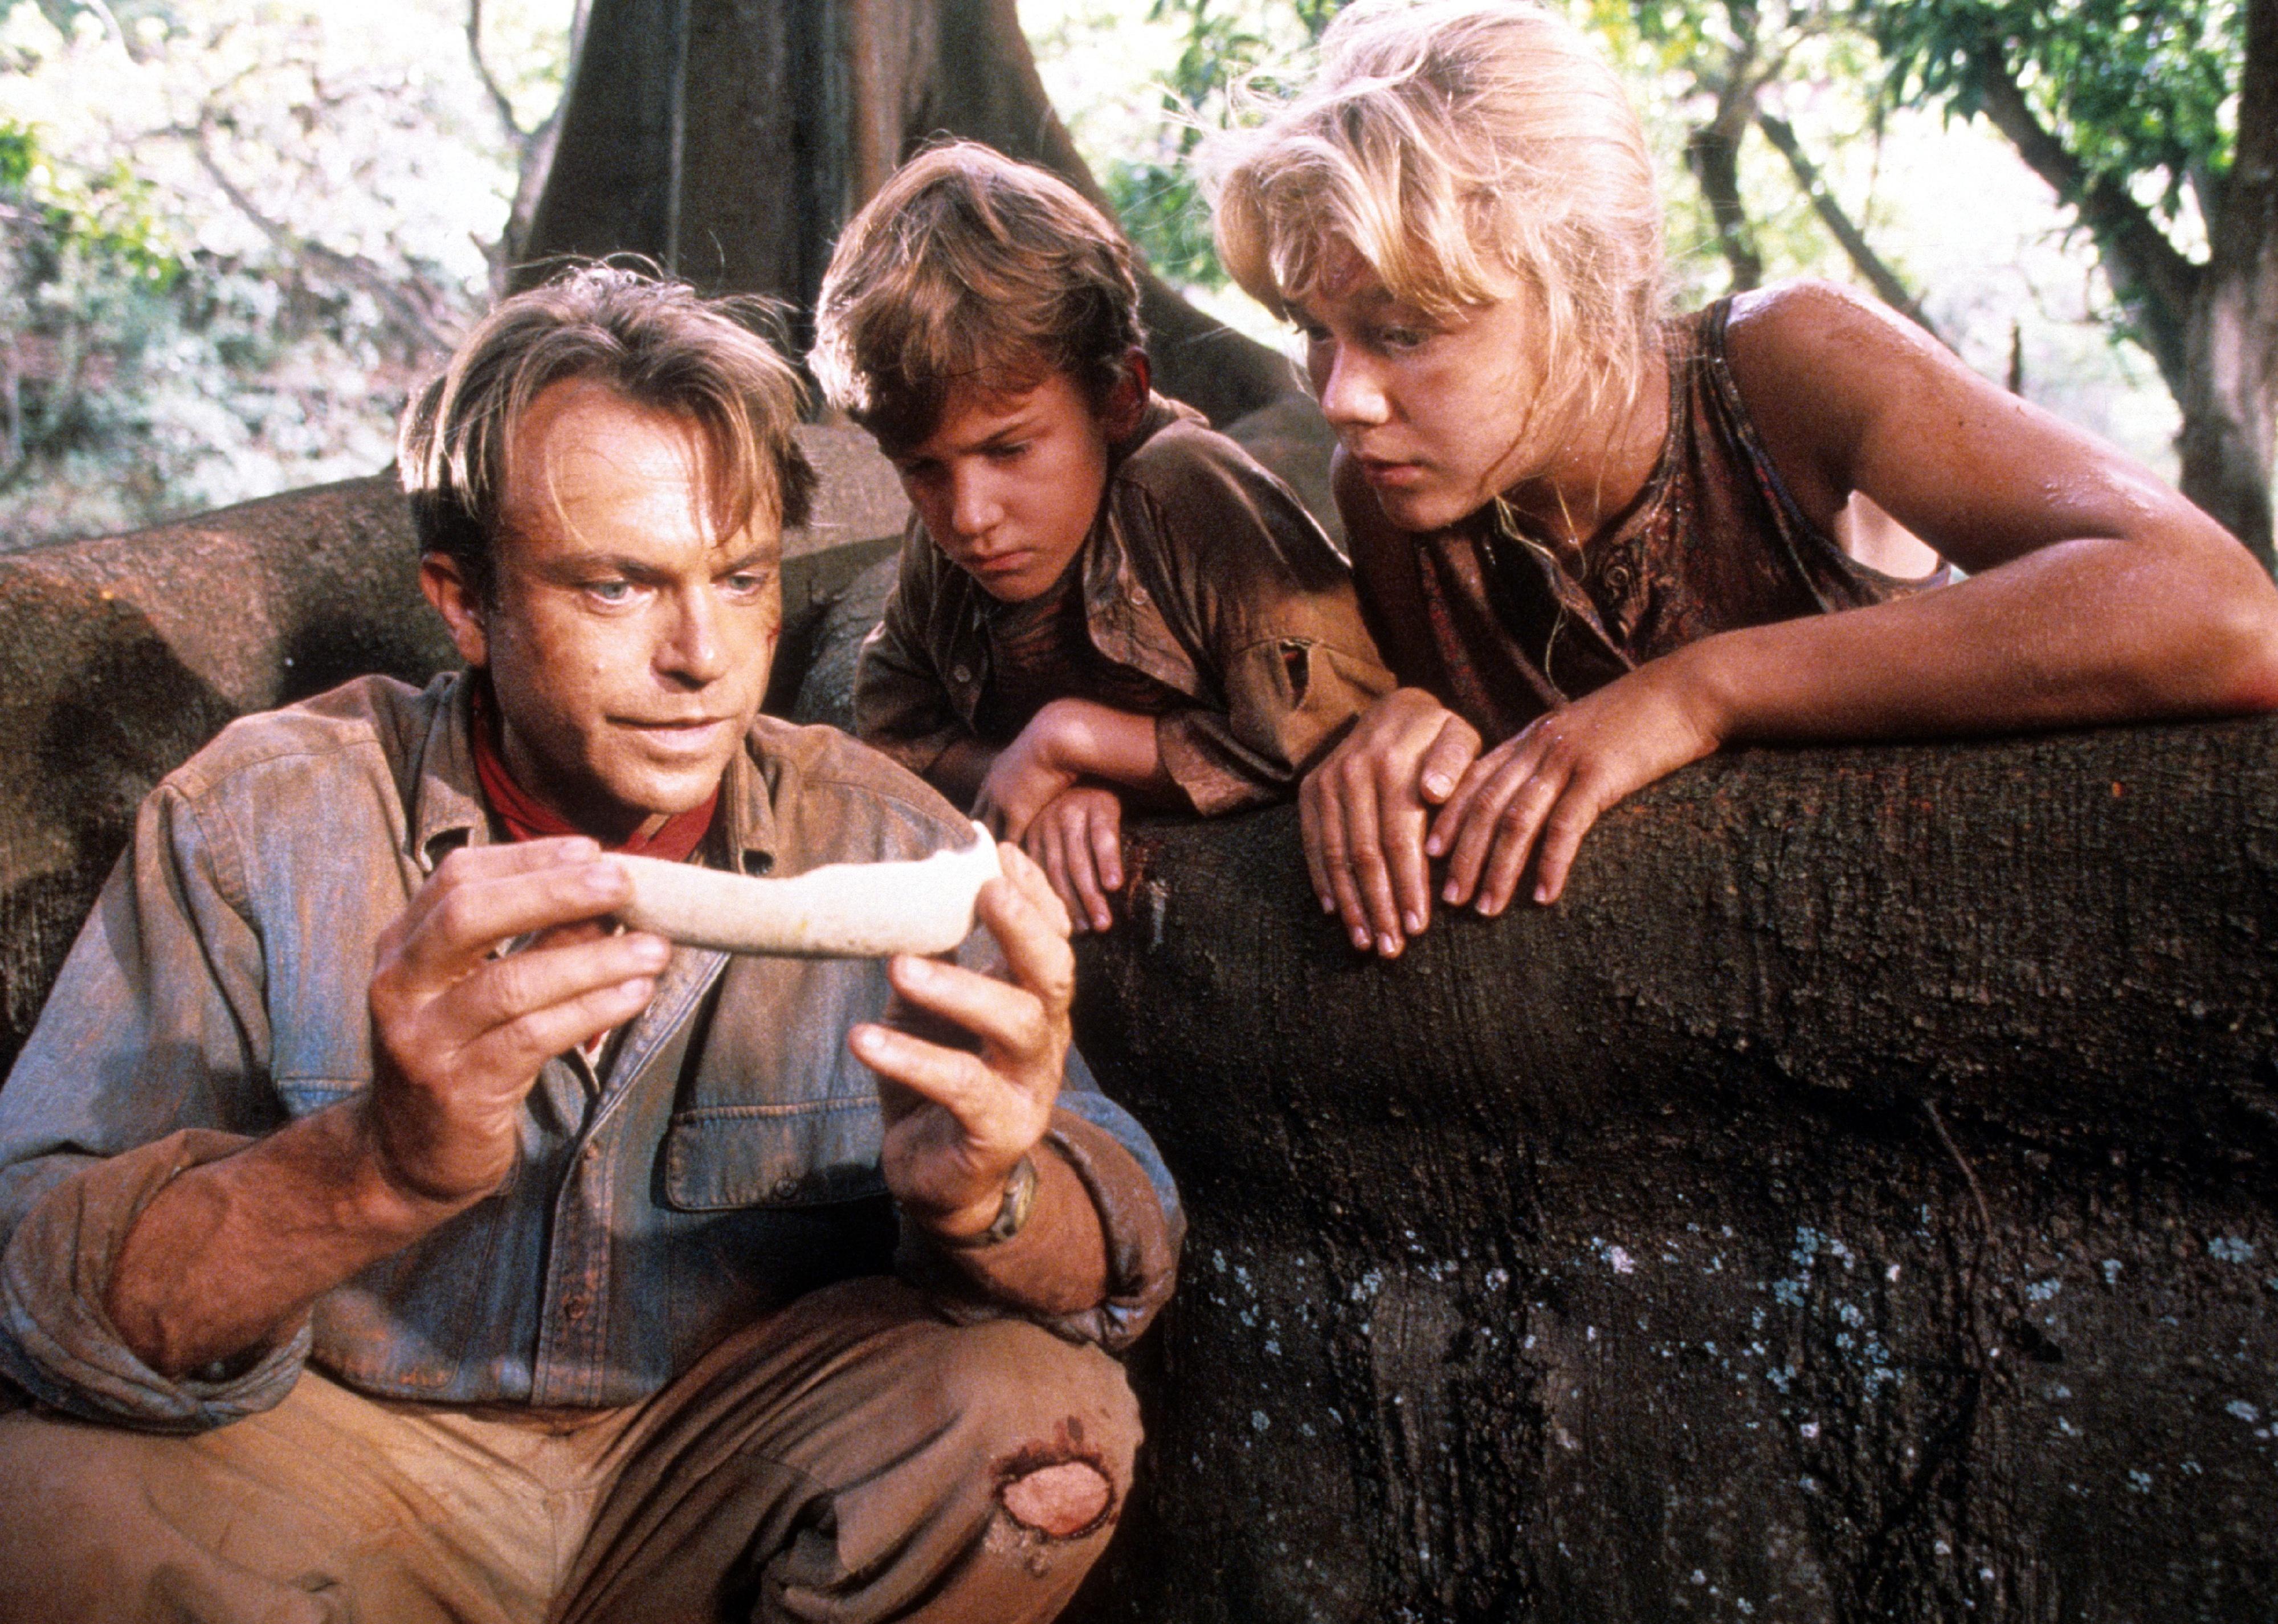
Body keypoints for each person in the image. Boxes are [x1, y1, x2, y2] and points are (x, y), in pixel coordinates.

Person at [0, 266, 1181, 1624]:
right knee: (45, 1506)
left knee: (1038, 1421)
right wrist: (371, 1167)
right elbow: (36, 1285)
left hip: (713, 1458)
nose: (702, 658)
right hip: (348, 1463)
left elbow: (1125, 1232)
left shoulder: (883, 834)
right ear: (462, 601)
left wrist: (995, 1196)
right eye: (617, 587)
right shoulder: (263, 820)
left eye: (739, 580)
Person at [1206, 0, 2278, 960]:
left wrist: (1700, 690)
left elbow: (2223, 614)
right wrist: (1394, 728)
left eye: (1401, 332)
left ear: (1587, 282)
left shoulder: (1781, 369)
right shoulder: (1394, 499)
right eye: (1315, 332)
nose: (1341, 396)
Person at [816, 141, 1394, 933]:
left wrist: (1075, 742)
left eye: (1008, 449)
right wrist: (1037, 781)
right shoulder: (946, 537)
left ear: (1119, 395)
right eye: (920, 467)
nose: (969, 515)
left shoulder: (1185, 495)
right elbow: (897, 728)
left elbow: (1324, 735)